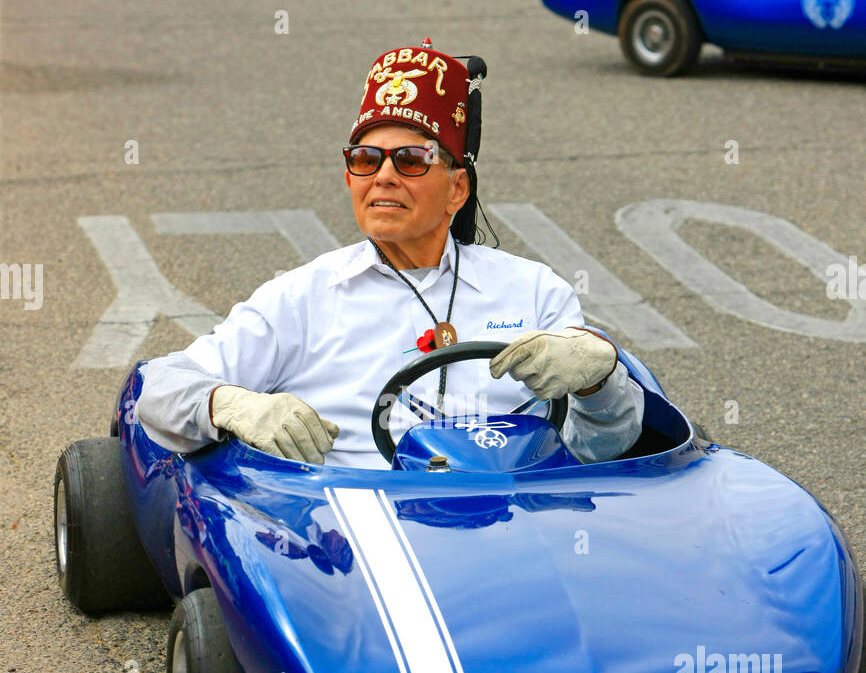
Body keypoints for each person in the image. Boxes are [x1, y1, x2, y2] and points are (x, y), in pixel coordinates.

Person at [136, 43, 643, 468]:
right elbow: (158, 389)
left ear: (457, 189)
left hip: (514, 518)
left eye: (410, 159)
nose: (383, 176)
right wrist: (230, 403)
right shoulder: (304, 296)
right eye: (364, 159)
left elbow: (604, 449)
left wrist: (600, 379)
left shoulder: (535, 291)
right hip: (356, 539)